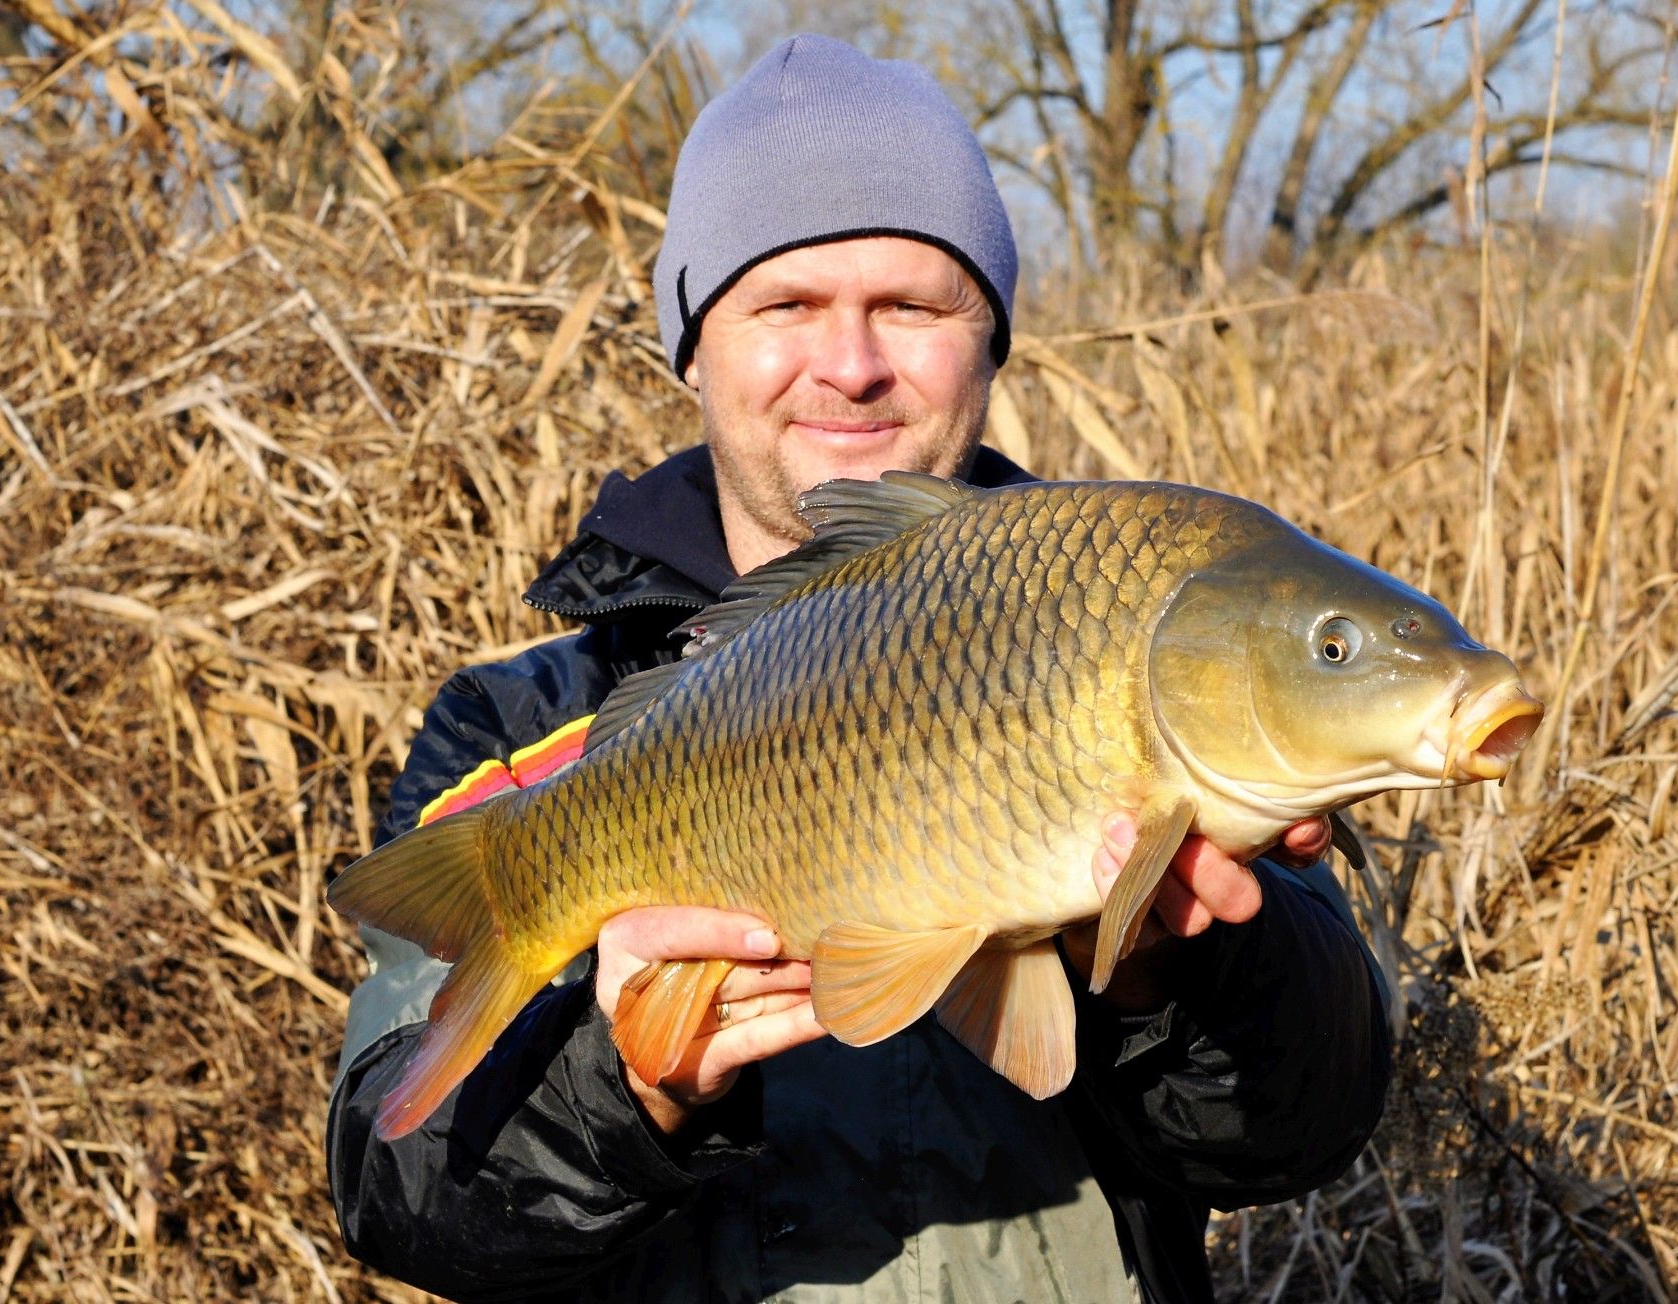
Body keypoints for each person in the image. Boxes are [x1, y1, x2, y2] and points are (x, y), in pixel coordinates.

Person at [326, 33, 1392, 1303]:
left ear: (989, 341)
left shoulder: (1155, 635)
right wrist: (630, 1090)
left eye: (912, 305)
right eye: (785, 306)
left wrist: (1171, 970)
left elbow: (1306, 1127)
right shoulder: (526, 729)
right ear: (697, 343)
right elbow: (396, 1199)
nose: (851, 364)